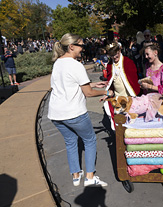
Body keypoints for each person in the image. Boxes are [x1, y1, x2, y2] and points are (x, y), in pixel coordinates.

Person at [48, 33, 111, 187]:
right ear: (72, 46)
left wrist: (94, 84)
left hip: (56, 113)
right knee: (89, 140)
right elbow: (88, 93)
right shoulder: (76, 65)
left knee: (70, 142)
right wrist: (107, 92)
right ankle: (90, 178)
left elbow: (67, 84)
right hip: (73, 112)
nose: (83, 49)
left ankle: (76, 176)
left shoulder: (57, 63)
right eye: (82, 45)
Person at [102, 41, 141, 129]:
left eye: (116, 54)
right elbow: (110, 85)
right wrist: (107, 94)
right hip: (118, 98)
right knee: (119, 124)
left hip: (129, 98)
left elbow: (134, 81)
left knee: (132, 121)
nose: (114, 57)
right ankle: (120, 140)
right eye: (112, 55)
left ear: (120, 51)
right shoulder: (109, 65)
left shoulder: (128, 62)